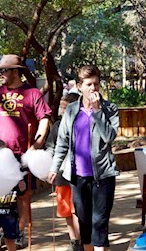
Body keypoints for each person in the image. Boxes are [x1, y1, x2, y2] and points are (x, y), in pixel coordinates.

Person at [48, 65, 119, 251]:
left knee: (100, 221)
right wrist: (54, 168)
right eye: (89, 84)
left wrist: (97, 112)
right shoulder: (71, 110)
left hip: (103, 175)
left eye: (96, 84)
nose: (93, 88)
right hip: (78, 176)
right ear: (79, 86)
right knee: (85, 222)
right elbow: (62, 142)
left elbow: (109, 137)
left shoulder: (109, 108)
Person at [0, 54, 51, 248]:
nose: (1, 74)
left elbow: (44, 119)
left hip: (22, 154)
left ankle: (18, 232)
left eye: (4, 70)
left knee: (23, 196)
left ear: (16, 71)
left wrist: (37, 144)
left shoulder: (32, 94)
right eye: (0, 70)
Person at [45, 93, 83, 251]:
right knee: (66, 210)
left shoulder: (82, 124)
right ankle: (73, 240)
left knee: (78, 210)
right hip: (61, 175)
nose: (61, 110)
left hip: (78, 174)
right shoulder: (57, 126)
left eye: (65, 107)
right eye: (61, 106)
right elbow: (50, 147)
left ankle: (81, 240)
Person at [0, 139, 26, 251]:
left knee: (9, 241)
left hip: (9, 213)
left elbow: (20, 192)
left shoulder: (13, 172)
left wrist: (22, 187)